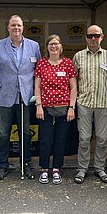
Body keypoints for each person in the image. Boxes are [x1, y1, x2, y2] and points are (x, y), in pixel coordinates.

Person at [0, 15, 41, 180]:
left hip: (25, 96)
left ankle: (26, 164)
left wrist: (37, 95)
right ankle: (3, 165)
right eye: (13, 25)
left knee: (25, 133)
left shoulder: (34, 46)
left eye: (19, 25)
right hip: (4, 96)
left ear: (23, 27)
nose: (16, 28)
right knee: (4, 133)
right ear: (8, 27)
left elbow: (39, 71)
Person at [72, 25, 107, 184]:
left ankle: (99, 168)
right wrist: (74, 101)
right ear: (86, 37)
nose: (93, 39)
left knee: (103, 138)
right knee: (84, 138)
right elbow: (73, 82)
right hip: (84, 103)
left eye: (96, 36)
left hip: (103, 103)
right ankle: (82, 169)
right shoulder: (78, 57)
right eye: (90, 36)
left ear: (102, 37)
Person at [34, 34, 77, 185]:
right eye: (51, 44)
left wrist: (71, 107)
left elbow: (73, 88)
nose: (54, 46)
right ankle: (44, 169)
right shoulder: (41, 64)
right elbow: (37, 86)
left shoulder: (67, 63)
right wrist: (38, 105)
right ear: (46, 47)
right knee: (45, 139)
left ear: (61, 47)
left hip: (64, 108)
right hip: (45, 108)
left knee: (60, 139)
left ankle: (57, 169)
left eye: (56, 44)